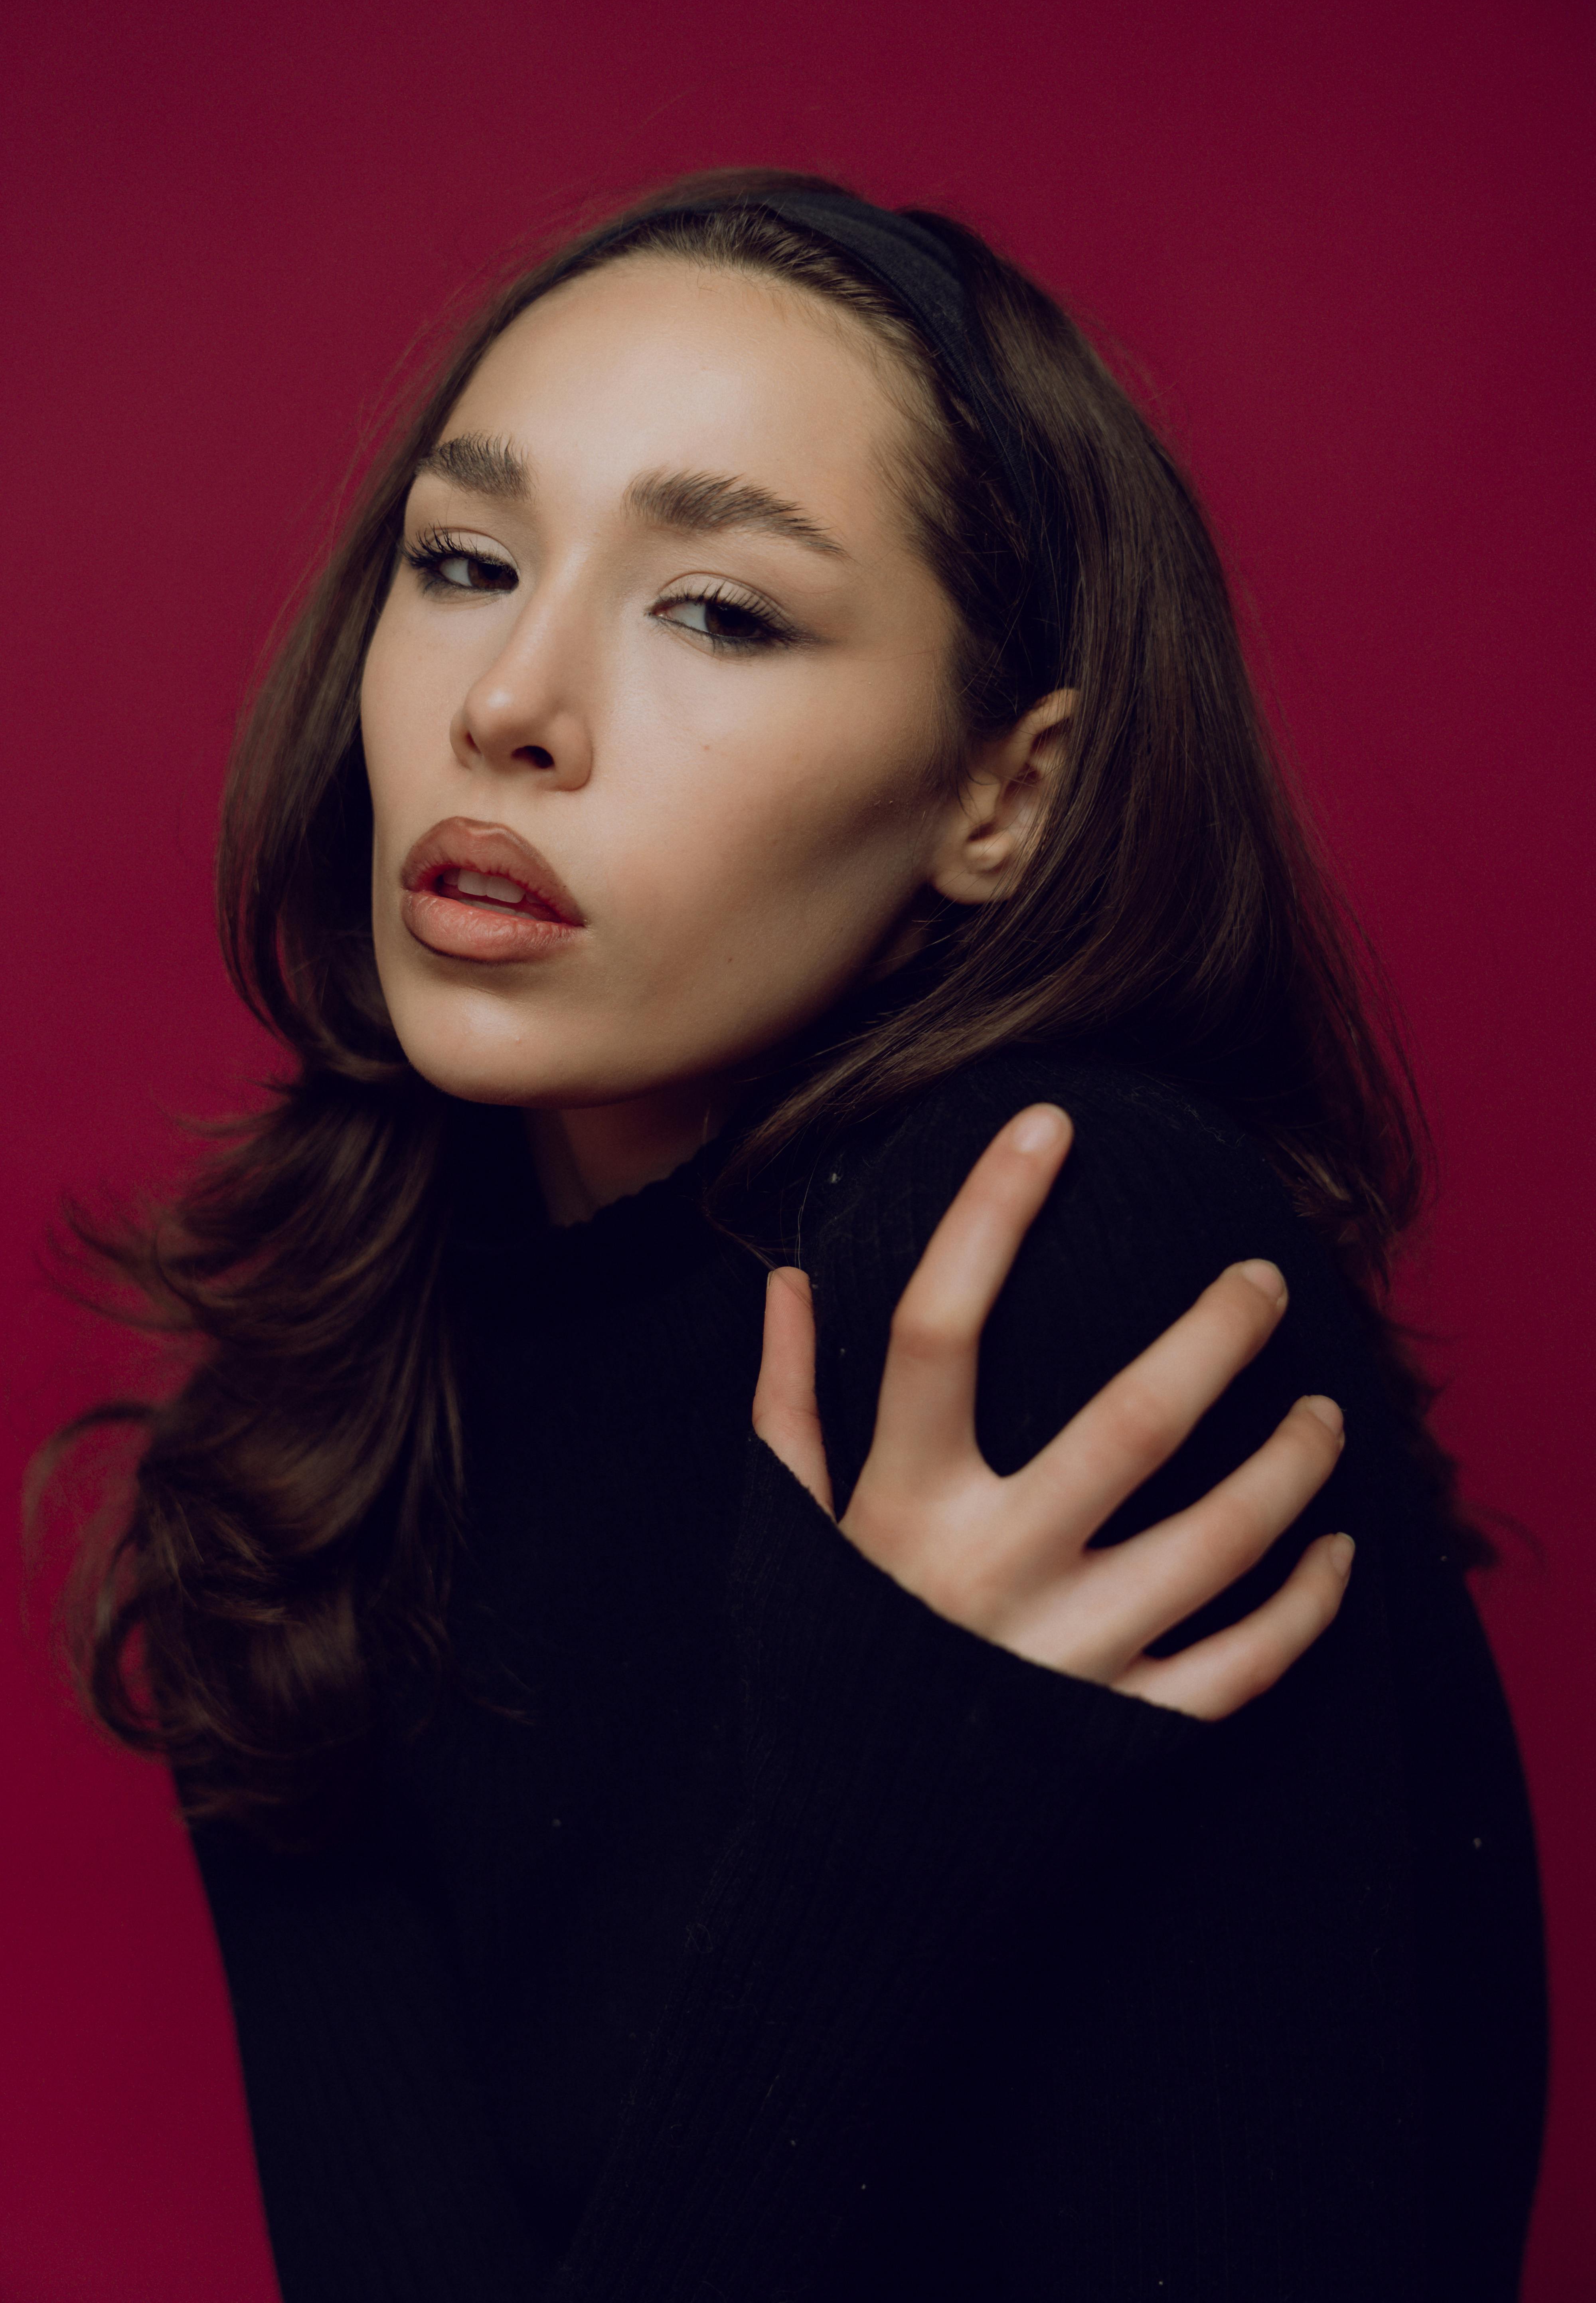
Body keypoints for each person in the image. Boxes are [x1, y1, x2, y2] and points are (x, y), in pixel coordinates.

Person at [57, 172, 1545, 2299]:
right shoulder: (318, 1434)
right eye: (466, 563)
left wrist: (876, 1817)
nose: (512, 704)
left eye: (721, 611)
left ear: (1001, 796)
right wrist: (873, 1841)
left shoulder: (1051, 1247)